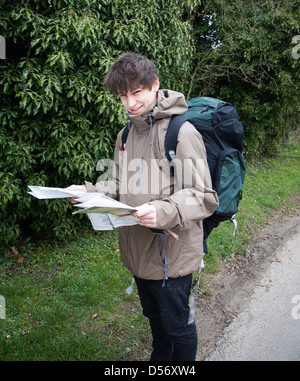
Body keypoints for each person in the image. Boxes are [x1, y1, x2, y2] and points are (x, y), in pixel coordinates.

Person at [68, 52, 218, 361]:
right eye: (123, 95)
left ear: (154, 85)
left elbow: (202, 195)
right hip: (137, 252)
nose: (130, 102)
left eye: (137, 92)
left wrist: (162, 211)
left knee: (178, 326)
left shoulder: (181, 131)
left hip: (172, 256)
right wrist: (87, 191)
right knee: (154, 319)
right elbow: (119, 185)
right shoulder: (124, 135)